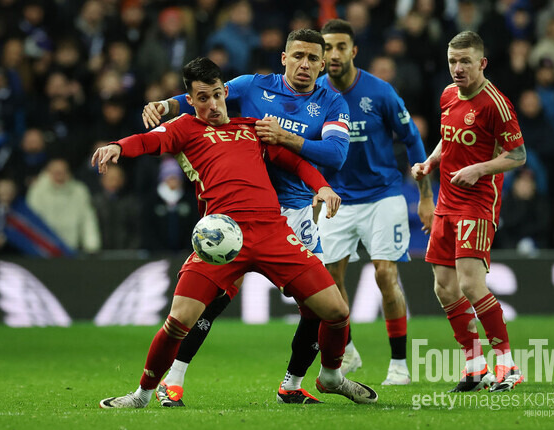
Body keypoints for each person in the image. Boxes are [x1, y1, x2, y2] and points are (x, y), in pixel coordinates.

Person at [95, 57, 378, 409]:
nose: (212, 105)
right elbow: (148, 140)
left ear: (225, 91)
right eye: (202, 98)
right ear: (191, 100)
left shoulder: (253, 128)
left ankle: (332, 376)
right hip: (222, 239)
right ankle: (142, 395)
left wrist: (321, 187)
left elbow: (295, 161)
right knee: (178, 321)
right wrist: (119, 146)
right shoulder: (184, 128)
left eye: (216, 95)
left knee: (336, 311)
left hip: (274, 233)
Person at [142, 28, 350, 406]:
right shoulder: (253, 86)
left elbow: (335, 156)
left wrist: (285, 138)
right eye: (298, 56)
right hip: (239, 210)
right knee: (213, 299)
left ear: (322, 65)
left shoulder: (333, 103)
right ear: (283, 58)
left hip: (297, 210)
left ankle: (292, 384)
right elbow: (207, 96)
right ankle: (173, 380)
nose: (305, 64)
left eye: (313, 59)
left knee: (316, 307)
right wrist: (167, 106)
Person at [313, 19, 434, 385]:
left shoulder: (379, 93)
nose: (333, 54)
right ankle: (347, 350)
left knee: (385, 274)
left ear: (353, 50)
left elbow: (412, 139)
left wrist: (426, 195)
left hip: (383, 195)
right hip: (337, 198)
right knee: (329, 282)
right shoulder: (313, 93)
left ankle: (399, 364)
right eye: (327, 48)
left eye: (340, 47)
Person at [411, 31, 526, 392]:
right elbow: (449, 136)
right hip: (446, 202)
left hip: (478, 203)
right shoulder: (448, 95)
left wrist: (479, 169)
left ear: (482, 63)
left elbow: (518, 155)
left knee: (470, 283)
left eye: (464, 62)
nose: (457, 69)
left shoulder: (496, 104)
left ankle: (507, 363)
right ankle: (475, 364)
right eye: (452, 62)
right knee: (444, 287)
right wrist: (430, 163)